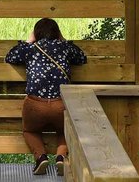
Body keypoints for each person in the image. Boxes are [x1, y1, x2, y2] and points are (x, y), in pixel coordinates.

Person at [5, 18, 86, 176]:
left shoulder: (30, 49)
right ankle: (61, 157)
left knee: (29, 131)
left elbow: (10, 57)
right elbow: (82, 58)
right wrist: (63, 40)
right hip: (60, 104)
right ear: (57, 33)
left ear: (36, 33)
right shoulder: (65, 48)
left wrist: (28, 41)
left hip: (36, 104)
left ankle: (41, 157)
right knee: (65, 131)